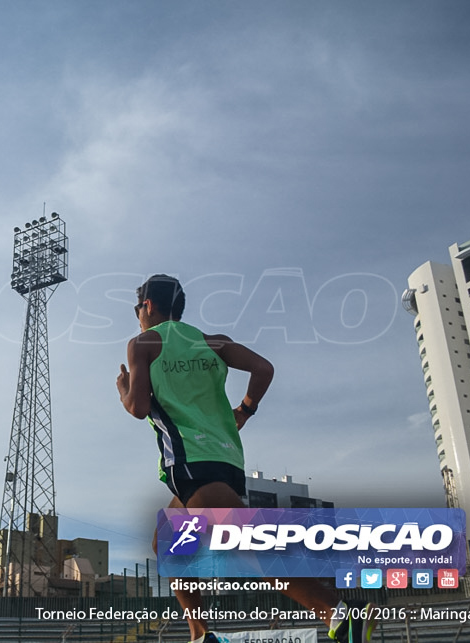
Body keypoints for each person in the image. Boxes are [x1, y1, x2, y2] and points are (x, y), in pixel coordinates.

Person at [115, 274, 376, 643]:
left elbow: (139, 408)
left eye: (137, 308)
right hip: (223, 459)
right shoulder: (212, 342)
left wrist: (125, 390)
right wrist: (244, 411)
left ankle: (340, 615)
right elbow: (263, 369)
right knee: (168, 540)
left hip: (192, 462)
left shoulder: (143, 343)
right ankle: (200, 634)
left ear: (149, 306)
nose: (137, 316)